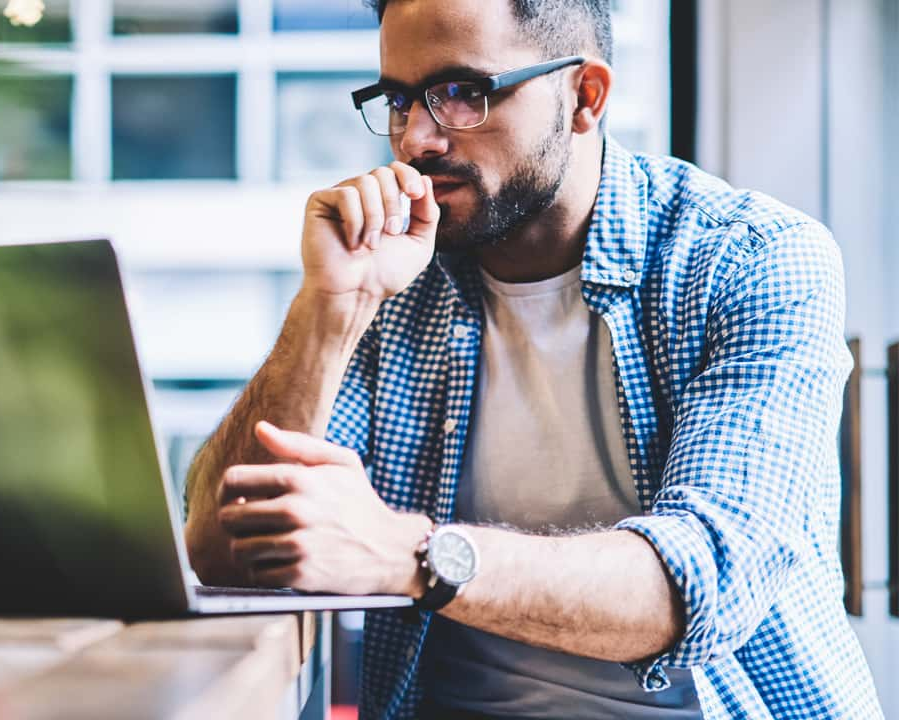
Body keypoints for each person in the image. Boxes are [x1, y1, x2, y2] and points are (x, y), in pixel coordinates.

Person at [183, 0, 883, 718]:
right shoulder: (397, 274)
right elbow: (221, 548)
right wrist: (329, 307)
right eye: (399, 99)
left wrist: (411, 555)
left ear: (585, 97)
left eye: (463, 93)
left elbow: (699, 582)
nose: (416, 138)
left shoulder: (748, 259)